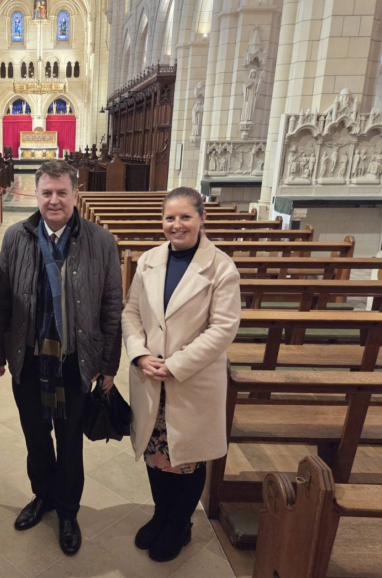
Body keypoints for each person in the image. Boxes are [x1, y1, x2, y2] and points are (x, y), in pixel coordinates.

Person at [0, 159, 123, 555]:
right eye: (46, 192)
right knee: (35, 436)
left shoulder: (101, 240)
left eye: (62, 192)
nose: (54, 200)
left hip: (75, 358)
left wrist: (109, 364)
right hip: (29, 356)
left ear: (76, 194)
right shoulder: (17, 236)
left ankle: (67, 510)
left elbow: (112, 306)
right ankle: (42, 495)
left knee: (70, 441)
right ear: (35, 193)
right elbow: (1, 298)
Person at [121, 187, 241, 562]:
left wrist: (175, 364)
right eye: (169, 218)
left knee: (187, 456)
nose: (177, 225)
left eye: (185, 216)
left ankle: (179, 524)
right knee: (155, 450)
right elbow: (131, 313)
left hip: (191, 378)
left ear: (202, 218)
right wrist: (140, 354)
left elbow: (223, 328)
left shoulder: (221, 266)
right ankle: (161, 514)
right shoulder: (149, 260)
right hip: (150, 375)